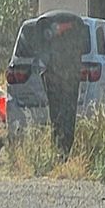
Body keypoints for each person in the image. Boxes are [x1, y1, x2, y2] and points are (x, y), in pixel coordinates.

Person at [37, 11, 89, 156]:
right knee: (63, 115)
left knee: (61, 115)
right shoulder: (73, 32)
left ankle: (62, 148)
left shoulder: (51, 36)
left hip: (61, 80)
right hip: (65, 80)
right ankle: (62, 148)